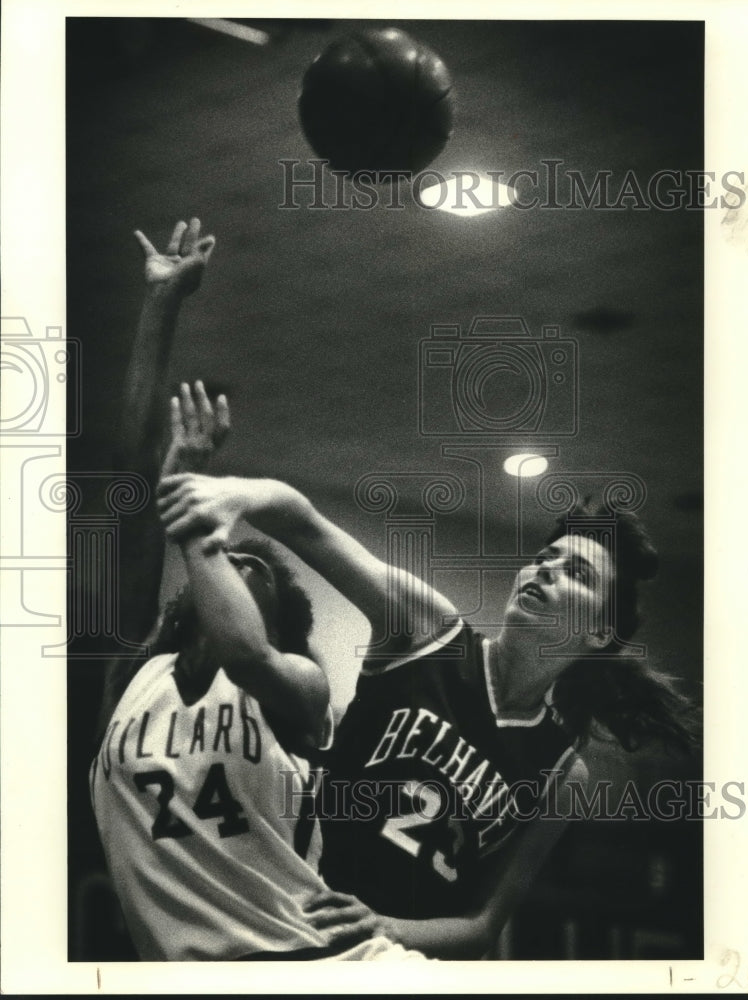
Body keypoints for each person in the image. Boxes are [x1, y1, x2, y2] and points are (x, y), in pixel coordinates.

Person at [156, 471, 697, 959]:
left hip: (392, 960)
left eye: (575, 572)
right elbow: (305, 523)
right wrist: (236, 495)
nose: (545, 570)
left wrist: (385, 927)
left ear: (600, 633)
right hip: (295, 904)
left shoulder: (562, 772)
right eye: (544, 558)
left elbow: (481, 925)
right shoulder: (429, 631)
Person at [90, 219, 426, 962]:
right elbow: (130, 475)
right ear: (183, 603)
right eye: (228, 561)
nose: (234, 561)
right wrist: (161, 305)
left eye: (258, 571)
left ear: (280, 622)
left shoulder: (297, 689)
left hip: (325, 966)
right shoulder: (133, 677)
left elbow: (244, 653)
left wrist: (194, 514)